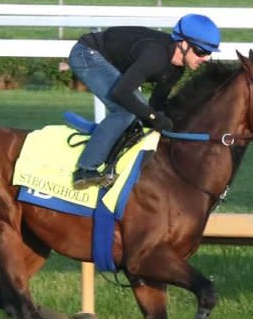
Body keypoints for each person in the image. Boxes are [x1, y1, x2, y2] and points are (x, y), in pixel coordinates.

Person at [68, 13, 221, 189]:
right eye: (201, 51)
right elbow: (120, 93)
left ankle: (114, 164)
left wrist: (167, 120)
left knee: (140, 114)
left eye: (209, 53)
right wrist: (155, 117)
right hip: (86, 54)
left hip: (109, 62)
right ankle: (85, 170)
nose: (205, 58)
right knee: (125, 111)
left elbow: (156, 105)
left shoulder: (176, 70)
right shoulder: (155, 57)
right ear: (183, 44)